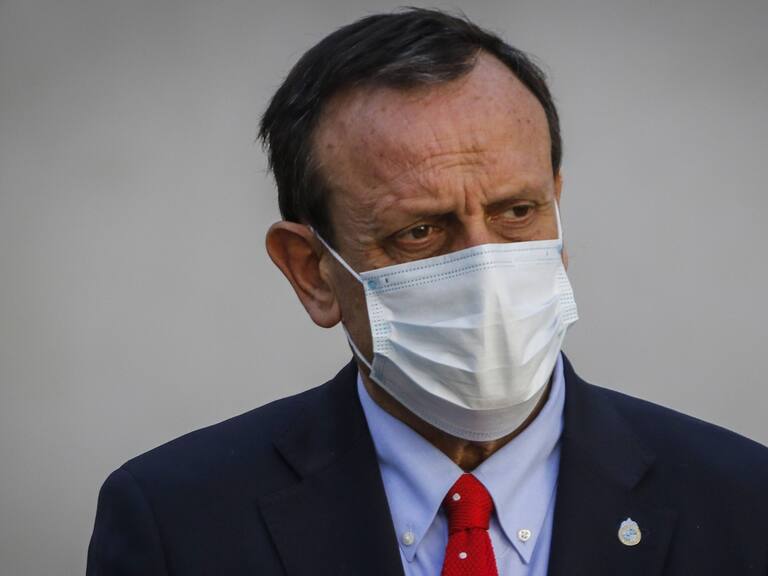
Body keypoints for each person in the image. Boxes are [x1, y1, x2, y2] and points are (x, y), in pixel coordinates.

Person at [86, 8, 768, 575]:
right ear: (310, 271)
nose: (485, 269)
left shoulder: (743, 503)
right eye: (419, 231)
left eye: (516, 212)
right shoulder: (179, 526)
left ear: (557, 212)